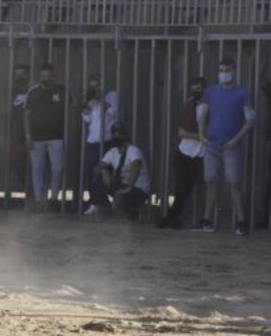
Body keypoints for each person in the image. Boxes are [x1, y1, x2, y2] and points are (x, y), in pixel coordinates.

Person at [195, 58, 255, 235]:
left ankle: (241, 221)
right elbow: (202, 114)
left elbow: (250, 120)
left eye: (227, 70)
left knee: (234, 183)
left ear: (234, 71)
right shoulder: (211, 91)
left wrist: (236, 139)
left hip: (231, 145)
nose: (224, 73)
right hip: (212, 144)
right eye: (221, 70)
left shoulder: (242, 93)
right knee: (210, 182)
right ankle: (207, 220)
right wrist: (201, 135)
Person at [157, 76, 209, 229]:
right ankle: (173, 217)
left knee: (185, 188)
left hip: (199, 153)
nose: (195, 92)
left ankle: (173, 217)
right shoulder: (188, 104)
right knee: (181, 188)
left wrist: (189, 135)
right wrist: (190, 135)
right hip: (184, 151)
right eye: (193, 89)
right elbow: (181, 130)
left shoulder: (209, 107)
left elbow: (207, 135)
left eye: (198, 89)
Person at [24, 62, 68, 211]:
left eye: (48, 76)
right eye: (43, 76)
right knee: (37, 170)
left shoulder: (61, 90)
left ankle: (54, 199)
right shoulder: (33, 92)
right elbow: (26, 115)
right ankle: (39, 200)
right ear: (39, 76)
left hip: (56, 137)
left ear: (53, 75)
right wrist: (28, 136)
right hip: (36, 138)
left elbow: (74, 104)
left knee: (58, 169)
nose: (45, 79)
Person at [85, 122, 149, 220]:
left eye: (119, 134)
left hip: (138, 188)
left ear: (125, 135)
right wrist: (104, 170)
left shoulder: (133, 150)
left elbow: (135, 168)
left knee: (120, 198)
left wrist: (129, 188)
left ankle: (129, 217)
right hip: (121, 185)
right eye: (114, 134)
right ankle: (107, 210)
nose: (116, 136)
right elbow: (97, 168)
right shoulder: (112, 152)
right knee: (96, 180)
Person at [79, 77, 119, 204]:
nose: (95, 89)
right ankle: (94, 201)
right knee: (91, 171)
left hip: (108, 141)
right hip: (92, 141)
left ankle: (106, 200)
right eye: (92, 87)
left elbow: (114, 112)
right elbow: (87, 119)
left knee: (106, 171)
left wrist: (101, 98)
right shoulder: (91, 100)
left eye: (97, 86)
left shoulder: (112, 95)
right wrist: (85, 102)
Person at [8, 63, 31, 204]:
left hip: (33, 134)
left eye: (22, 74)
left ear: (28, 75)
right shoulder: (12, 92)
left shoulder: (33, 91)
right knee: (18, 164)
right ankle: (26, 192)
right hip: (17, 135)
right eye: (17, 75)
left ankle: (33, 197)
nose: (19, 77)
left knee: (33, 166)